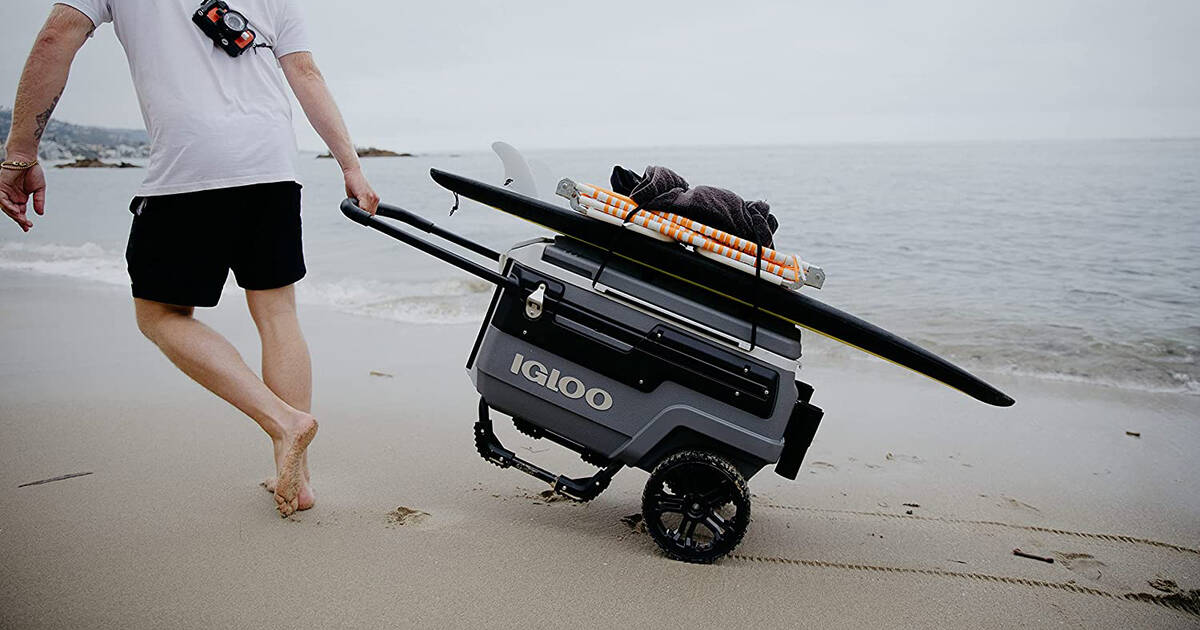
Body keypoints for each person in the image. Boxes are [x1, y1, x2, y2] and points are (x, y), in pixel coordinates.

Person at [0, 0, 381, 517]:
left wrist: (20, 151)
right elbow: (304, 70)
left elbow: (55, 39)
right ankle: (299, 479)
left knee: (159, 315)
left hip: (189, 166)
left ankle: (283, 420)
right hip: (271, 163)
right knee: (277, 312)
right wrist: (351, 166)